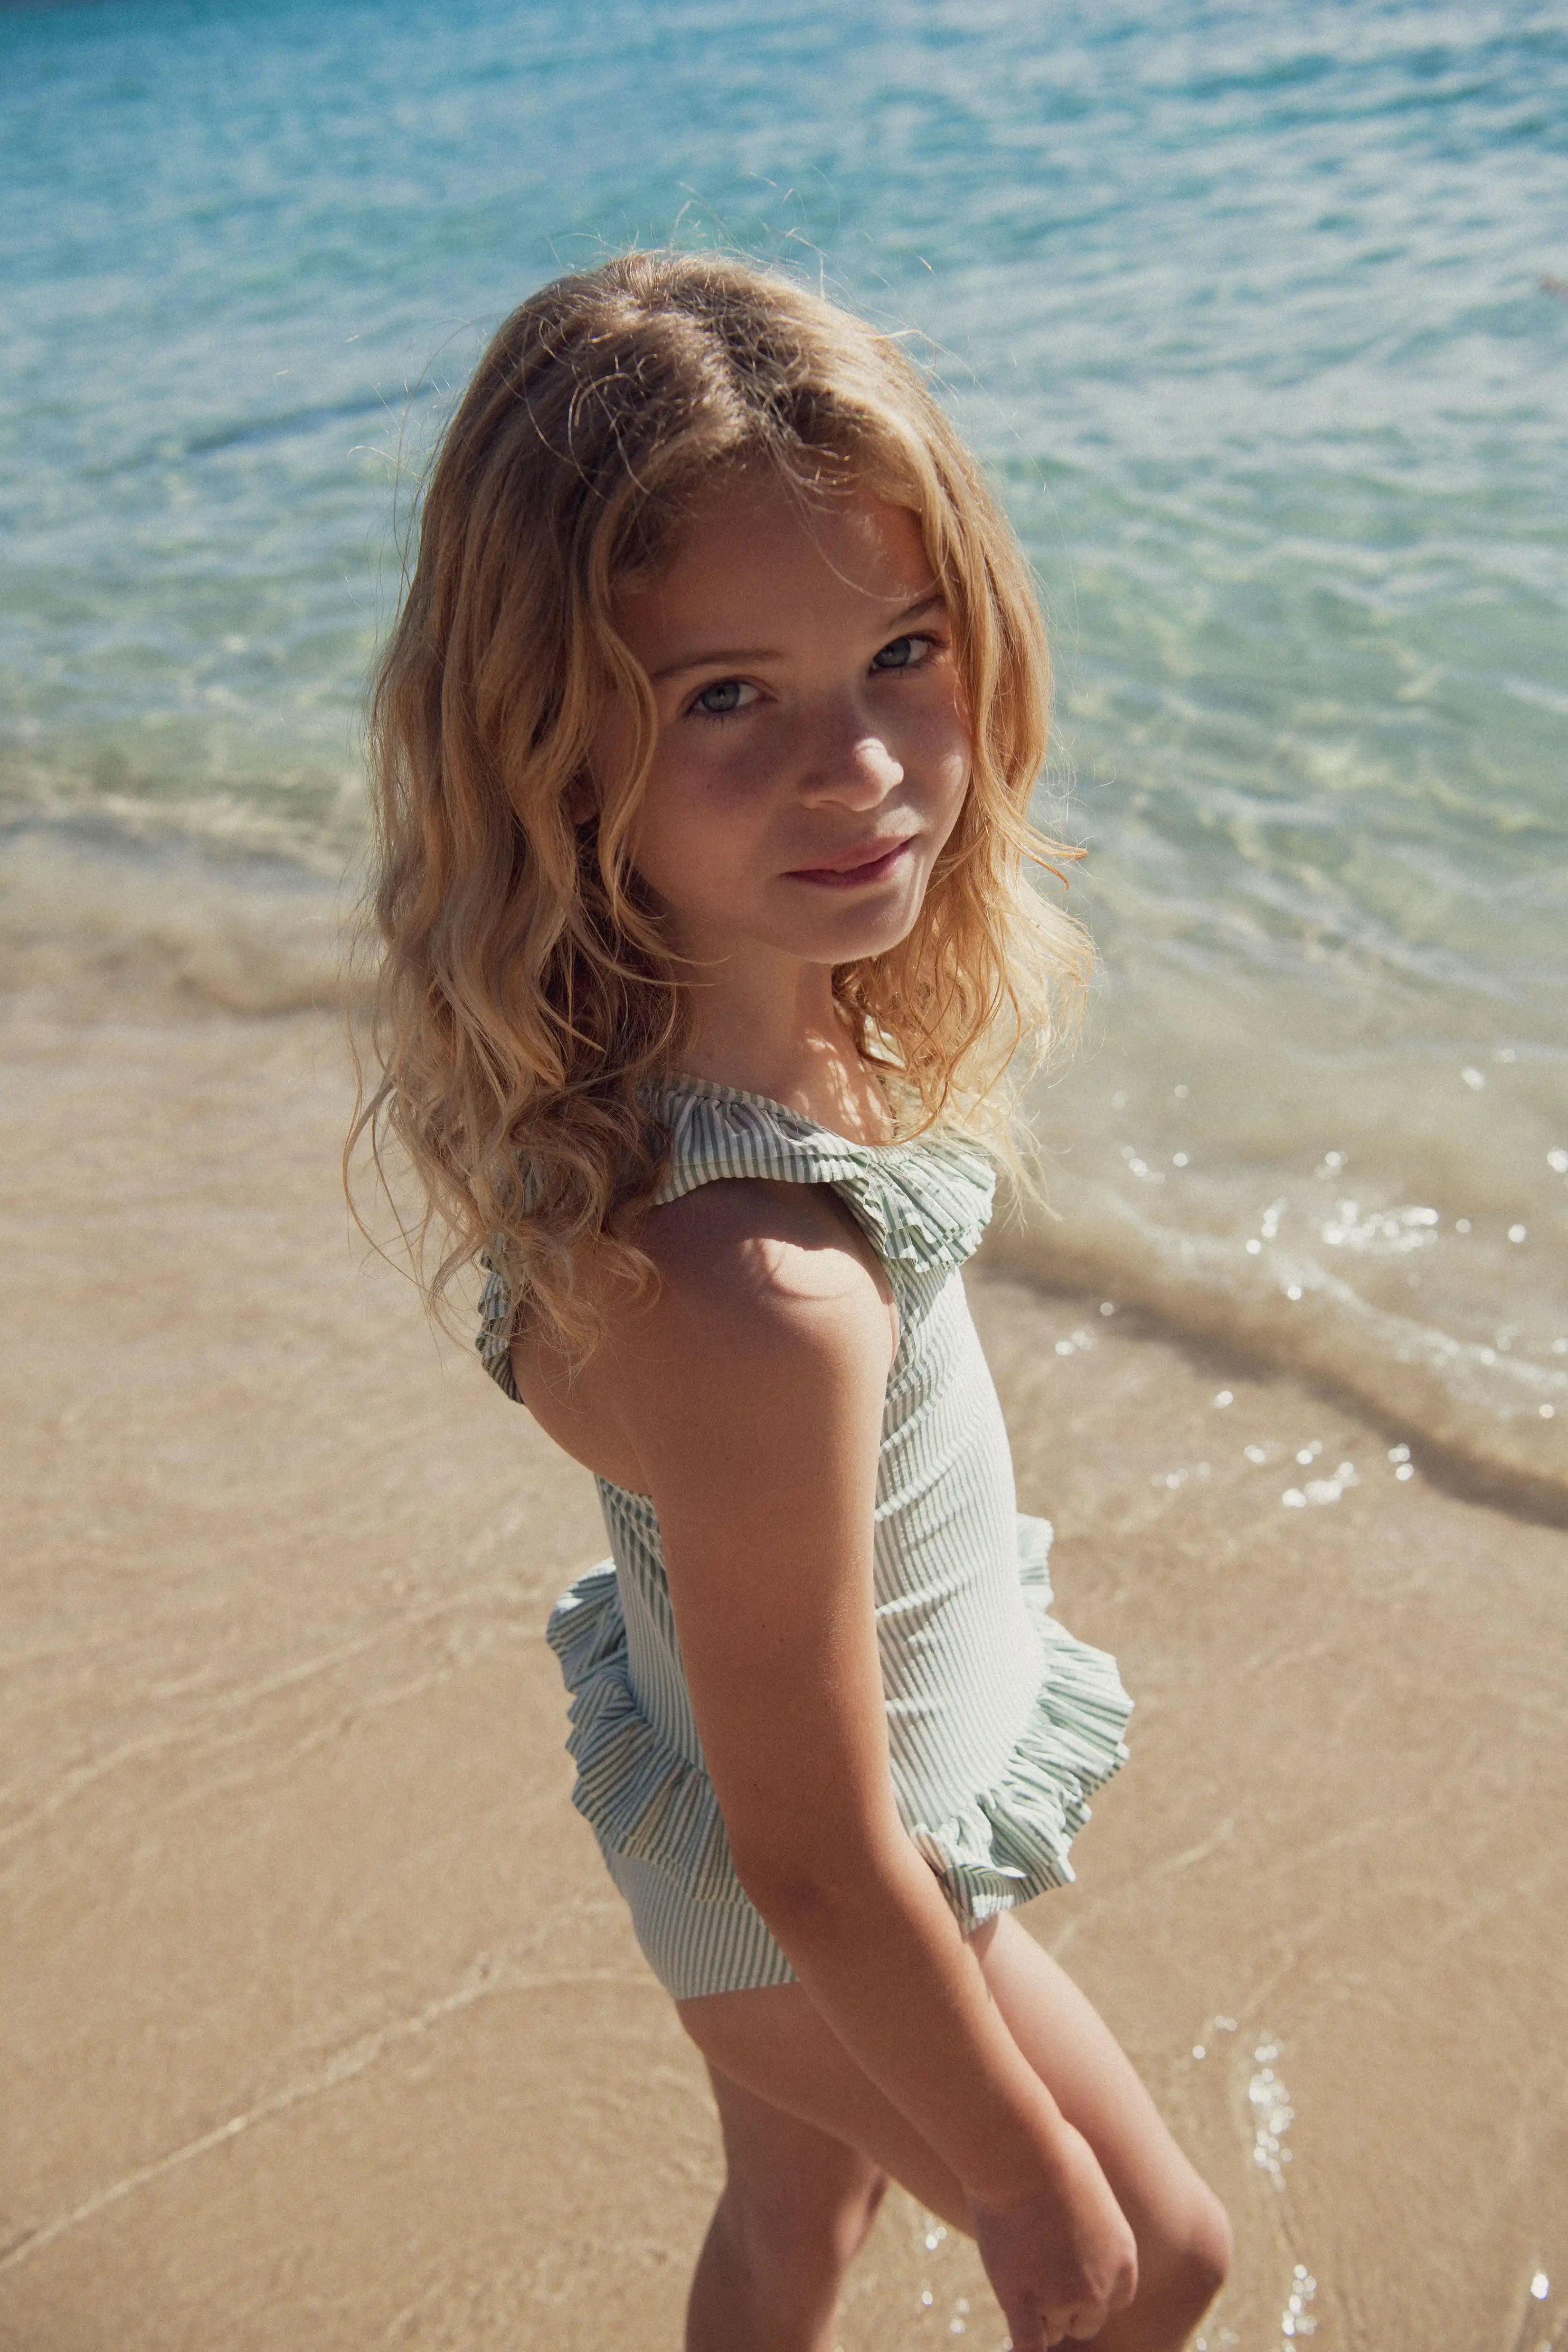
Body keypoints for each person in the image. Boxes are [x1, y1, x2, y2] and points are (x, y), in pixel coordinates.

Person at [353, 249, 1231, 2352]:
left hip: (764, 1853)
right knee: (1153, 2260)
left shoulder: (664, 1074)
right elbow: (822, 1855)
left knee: (794, 2233)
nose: (860, 769)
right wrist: (1019, 2181)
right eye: (727, 697)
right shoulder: (758, 1293)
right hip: (830, 1905)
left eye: (902, 653)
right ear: (553, 742)